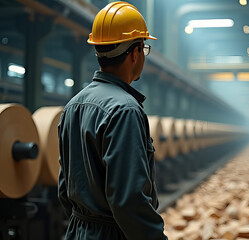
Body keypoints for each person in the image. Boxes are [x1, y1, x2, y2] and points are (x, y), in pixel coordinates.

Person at [57, 2, 167, 239]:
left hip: (78, 231)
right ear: (135, 53)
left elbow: (65, 188)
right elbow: (129, 201)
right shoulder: (125, 110)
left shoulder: (72, 107)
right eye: (144, 48)